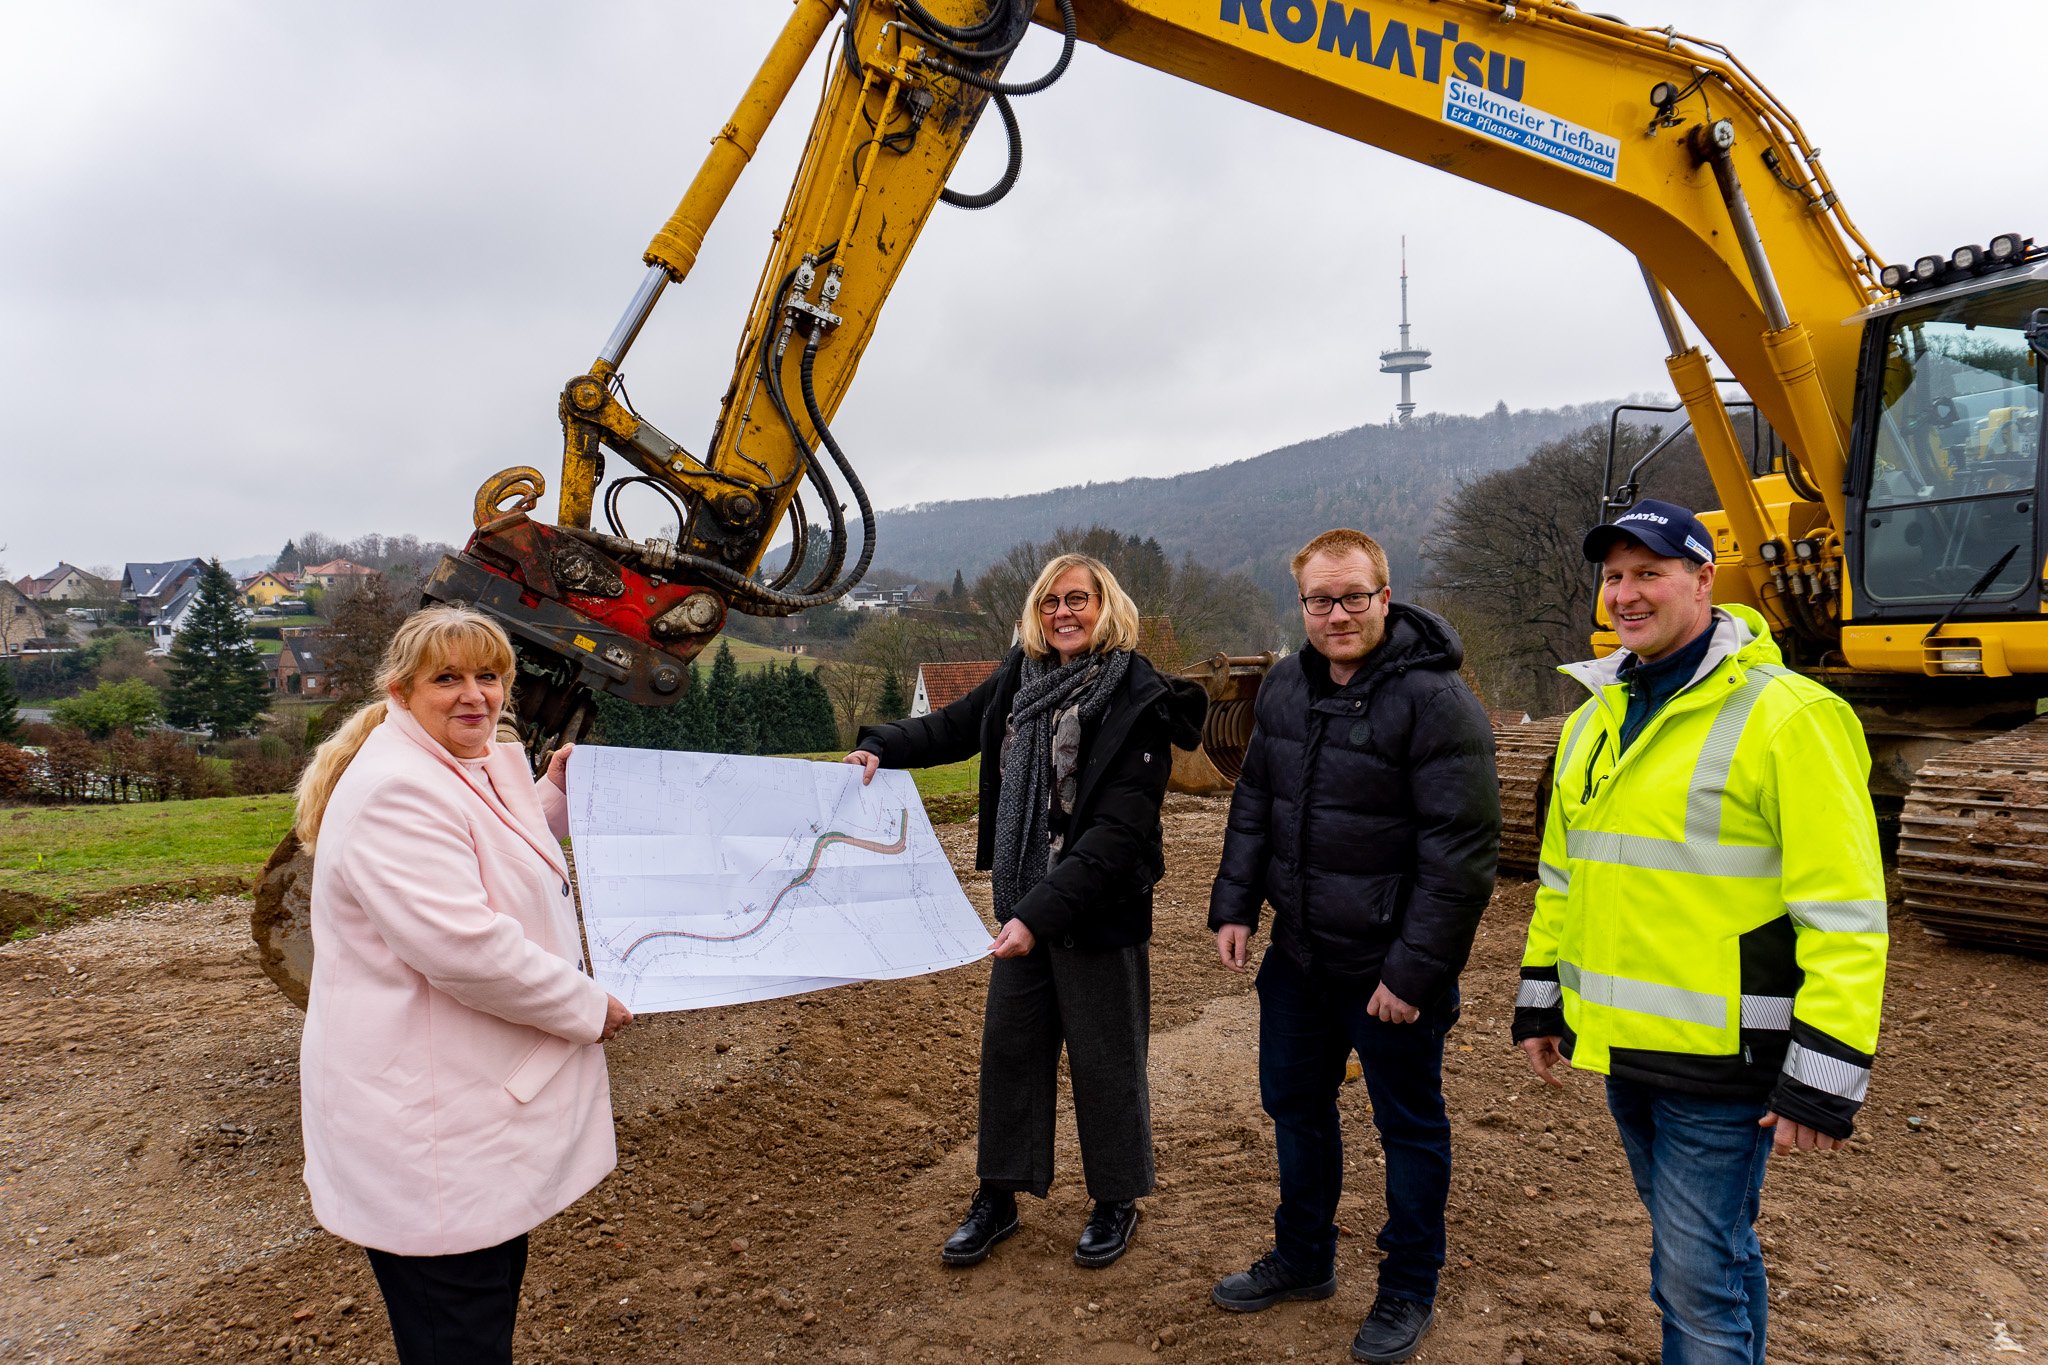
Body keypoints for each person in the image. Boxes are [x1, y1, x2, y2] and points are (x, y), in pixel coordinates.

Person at [1512, 499, 1887, 1365]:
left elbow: (1844, 910)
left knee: (1689, 1279)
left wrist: (1825, 1074)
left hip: (1724, 1064)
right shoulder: (1593, 719)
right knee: (1713, 1255)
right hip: (1623, 1050)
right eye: (1614, 576)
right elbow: (1564, 880)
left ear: (1704, 579)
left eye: (1650, 572)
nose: (1627, 593)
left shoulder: (1789, 715)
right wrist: (1542, 1004)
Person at [843, 554, 1206, 1270]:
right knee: (1011, 1053)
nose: (1063, 613)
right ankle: (998, 1195)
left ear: (1108, 606)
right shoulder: (1022, 677)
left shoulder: (1138, 695)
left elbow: (1117, 833)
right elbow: (950, 726)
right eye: (1050, 603)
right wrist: (877, 745)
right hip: (1023, 904)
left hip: (1097, 909)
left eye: (1078, 599)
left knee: (1106, 1060)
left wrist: (1040, 912)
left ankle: (1115, 1201)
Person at [293, 606, 634, 1364]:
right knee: (458, 1336)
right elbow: (466, 948)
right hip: (427, 1128)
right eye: (447, 677)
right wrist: (587, 1004)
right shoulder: (397, 792)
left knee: (476, 1310)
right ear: (402, 689)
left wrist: (558, 795)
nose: (473, 694)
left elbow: (494, 841)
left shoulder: (451, 763)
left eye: (489, 676)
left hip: (459, 1112)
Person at [1208, 528, 1499, 1365]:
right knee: (1295, 1107)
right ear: (1300, 603)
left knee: (1408, 1127)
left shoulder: (1437, 702)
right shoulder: (1285, 690)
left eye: (1353, 597)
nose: (1337, 614)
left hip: (1387, 969)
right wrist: (1235, 904)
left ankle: (1408, 1283)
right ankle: (1304, 1257)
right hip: (1299, 957)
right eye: (1319, 600)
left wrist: (1411, 970)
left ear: (1386, 595)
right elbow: (1254, 802)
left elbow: (1461, 855)